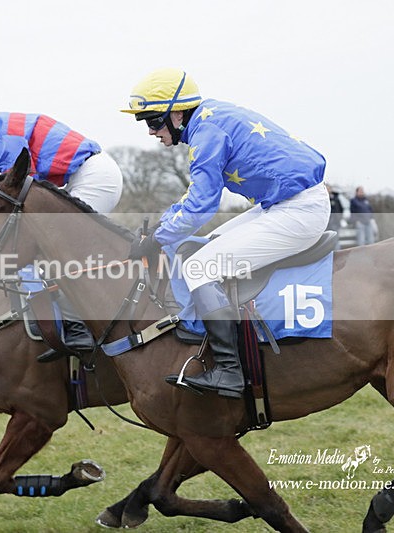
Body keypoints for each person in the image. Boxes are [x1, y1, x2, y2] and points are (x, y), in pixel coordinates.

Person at [121, 68, 329, 399]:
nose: (151, 131)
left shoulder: (206, 133)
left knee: (199, 267)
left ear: (177, 113)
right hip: (283, 204)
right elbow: (192, 198)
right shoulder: (207, 120)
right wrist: (160, 228)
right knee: (209, 247)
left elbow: (200, 208)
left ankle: (230, 372)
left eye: (153, 121)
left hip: (297, 210)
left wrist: (158, 239)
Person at [0, 78, 124, 362]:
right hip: (87, 175)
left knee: (50, 252)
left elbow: (18, 195)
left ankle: (78, 328)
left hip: (93, 179)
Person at [327, 184, 344, 250]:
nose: (328, 190)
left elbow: (341, 209)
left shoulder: (336, 199)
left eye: (329, 188)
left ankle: (337, 254)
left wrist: (339, 218)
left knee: (336, 240)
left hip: (335, 222)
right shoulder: (323, 199)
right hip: (326, 224)